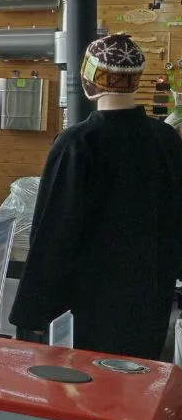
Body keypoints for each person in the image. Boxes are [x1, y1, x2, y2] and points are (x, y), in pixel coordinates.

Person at [10, 33, 182, 359]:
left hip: (86, 307)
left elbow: (52, 233)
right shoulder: (165, 139)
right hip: (150, 301)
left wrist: (31, 314)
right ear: (135, 80)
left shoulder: (76, 143)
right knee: (138, 382)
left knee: (88, 385)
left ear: (89, 78)